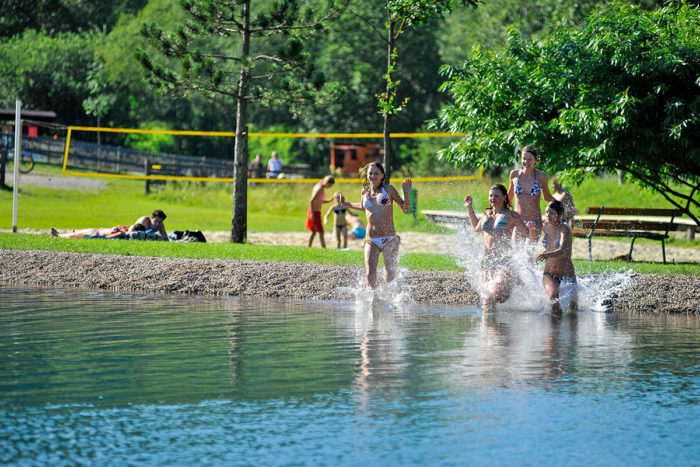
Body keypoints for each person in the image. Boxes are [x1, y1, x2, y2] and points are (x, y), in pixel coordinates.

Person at [338, 162, 412, 288]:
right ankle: (372, 303)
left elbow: (405, 209)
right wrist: (345, 204)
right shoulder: (364, 193)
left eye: (376, 173)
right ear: (367, 175)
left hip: (389, 239)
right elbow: (362, 207)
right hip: (371, 240)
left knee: (390, 276)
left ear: (382, 175)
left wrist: (406, 192)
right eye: (370, 173)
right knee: (370, 275)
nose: (373, 176)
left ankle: (392, 303)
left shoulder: (389, 190)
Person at [464, 184, 531, 308]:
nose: (492, 198)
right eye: (490, 195)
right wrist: (469, 208)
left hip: (503, 262)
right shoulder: (487, 214)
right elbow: (476, 228)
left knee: (496, 293)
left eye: (496, 196)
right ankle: (489, 326)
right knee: (487, 303)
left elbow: (526, 233)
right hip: (487, 263)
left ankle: (513, 282)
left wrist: (530, 228)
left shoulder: (512, 215)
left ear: (504, 197)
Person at [536, 200, 578, 315]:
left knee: (573, 313)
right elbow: (531, 236)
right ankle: (554, 332)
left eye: (552, 213)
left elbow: (562, 250)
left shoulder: (564, 229)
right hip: (550, 273)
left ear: (559, 215)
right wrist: (530, 230)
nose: (548, 216)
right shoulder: (546, 227)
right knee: (554, 299)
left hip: (567, 275)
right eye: (546, 213)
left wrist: (546, 255)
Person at [507, 145, 554, 240]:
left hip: (534, 222)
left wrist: (563, 206)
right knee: (516, 253)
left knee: (528, 253)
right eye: (524, 159)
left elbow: (547, 197)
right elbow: (509, 198)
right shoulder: (514, 174)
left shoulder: (541, 176)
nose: (526, 162)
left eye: (529, 159)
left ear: (535, 160)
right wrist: (496, 212)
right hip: (518, 221)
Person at [306, 175, 335, 247]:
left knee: (313, 232)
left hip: (316, 212)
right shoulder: (319, 189)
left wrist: (329, 200)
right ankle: (324, 248)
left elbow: (319, 201)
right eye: (330, 185)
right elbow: (311, 201)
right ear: (327, 183)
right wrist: (312, 214)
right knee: (321, 232)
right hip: (314, 212)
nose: (330, 187)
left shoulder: (321, 187)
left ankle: (308, 247)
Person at [50, 223, 145, 239]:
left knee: (72, 237)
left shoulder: (123, 233)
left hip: (96, 233)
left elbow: (107, 237)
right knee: (76, 234)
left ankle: (58, 235)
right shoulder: (125, 229)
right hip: (97, 230)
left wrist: (100, 238)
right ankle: (75, 232)